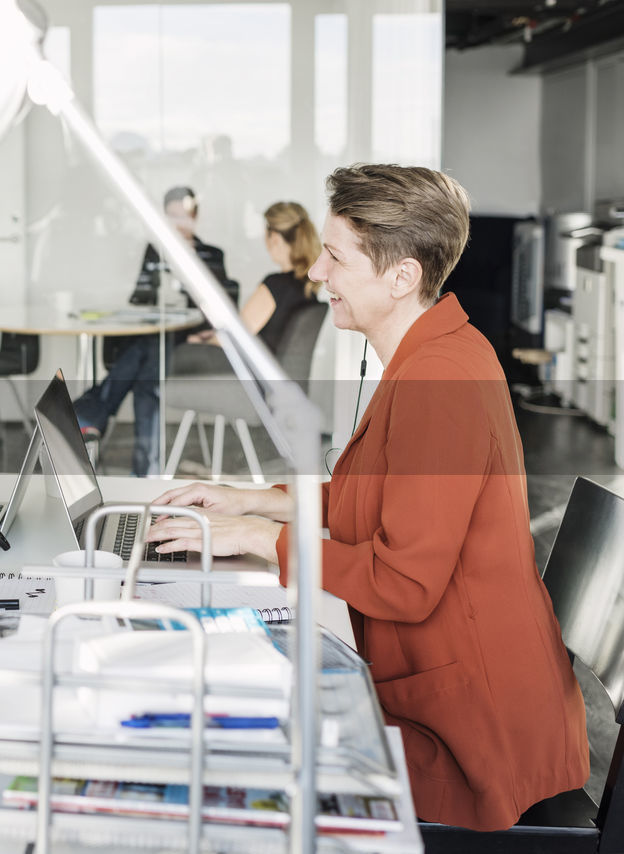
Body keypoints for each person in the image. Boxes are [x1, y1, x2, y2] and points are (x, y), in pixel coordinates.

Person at [146, 164, 589, 831]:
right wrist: (250, 502)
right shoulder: (437, 351)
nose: (317, 273)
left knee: (235, 761)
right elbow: (374, 498)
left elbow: (405, 582)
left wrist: (262, 541)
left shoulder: (438, 381)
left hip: (469, 738)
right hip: (458, 697)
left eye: (335, 256)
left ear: (401, 276)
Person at [73, 186, 233, 477]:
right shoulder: (155, 251)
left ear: (195, 217)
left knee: (149, 357)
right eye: (170, 217)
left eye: (182, 217)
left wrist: (202, 335)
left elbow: (221, 309)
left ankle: (91, 409)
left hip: (190, 341)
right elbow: (139, 298)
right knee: (149, 375)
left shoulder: (211, 255)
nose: (177, 224)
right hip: (156, 338)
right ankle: (145, 474)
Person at [170, 200, 321, 375]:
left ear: (274, 238)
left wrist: (202, 340)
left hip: (248, 373)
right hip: (266, 371)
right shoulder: (305, 287)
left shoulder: (275, 285)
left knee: (168, 351)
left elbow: (237, 337)